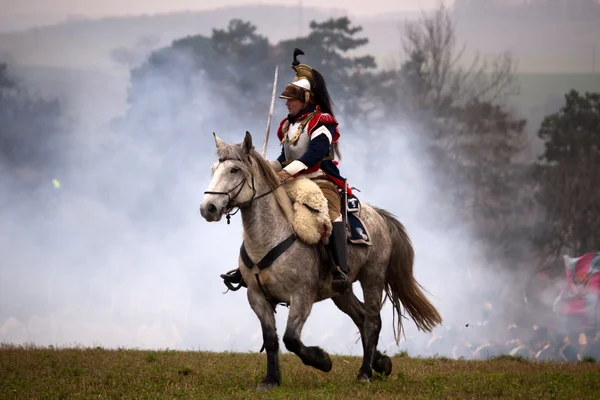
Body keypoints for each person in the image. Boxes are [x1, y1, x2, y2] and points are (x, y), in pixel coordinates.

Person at [220, 48, 351, 294]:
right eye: (286, 100)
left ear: (306, 100)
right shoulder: (288, 126)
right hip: (291, 179)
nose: (287, 103)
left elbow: (313, 155)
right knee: (260, 211)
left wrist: (284, 174)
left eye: (291, 100)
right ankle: (248, 266)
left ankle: (339, 269)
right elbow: (283, 158)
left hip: (319, 179)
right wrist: (265, 168)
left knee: (332, 217)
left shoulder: (321, 122)